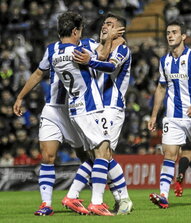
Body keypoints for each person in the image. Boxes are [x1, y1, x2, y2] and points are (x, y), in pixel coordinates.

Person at [13, 12, 85, 216]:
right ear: (74, 30)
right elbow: (38, 73)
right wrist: (20, 97)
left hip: (74, 111)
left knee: (86, 157)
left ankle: (81, 193)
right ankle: (46, 204)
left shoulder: (83, 48)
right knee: (47, 156)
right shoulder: (51, 50)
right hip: (53, 110)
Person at [62, 13, 133, 215]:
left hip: (112, 107)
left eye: (110, 24)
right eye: (104, 23)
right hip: (93, 107)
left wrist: (90, 60)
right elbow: (99, 55)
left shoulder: (123, 48)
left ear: (120, 30)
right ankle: (75, 196)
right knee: (97, 155)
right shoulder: (94, 45)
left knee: (103, 154)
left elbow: (109, 65)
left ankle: (121, 198)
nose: (105, 26)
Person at [148, 20, 191, 208]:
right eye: (168, 32)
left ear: (183, 36)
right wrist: (154, 115)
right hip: (172, 116)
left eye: (174, 32)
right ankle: (163, 195)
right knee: (169, 154)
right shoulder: (165, 61)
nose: (170, 35)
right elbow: (161, 89)